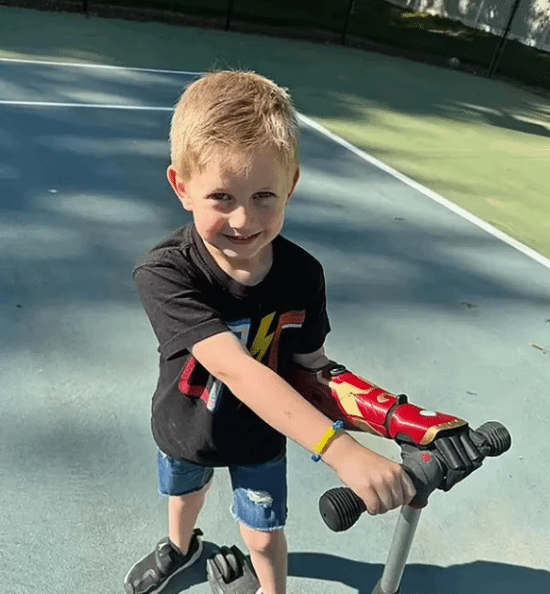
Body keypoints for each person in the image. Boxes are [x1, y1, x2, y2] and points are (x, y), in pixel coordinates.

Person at [124, 70, 416, 594]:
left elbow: (315, 370)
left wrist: (402, 421)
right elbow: (234, 368)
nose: (243, 220)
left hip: (260, 437)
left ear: (291, 186)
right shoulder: (165, 273)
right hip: (185, 425)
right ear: (182, 187)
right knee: (184, 496)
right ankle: (182, 549)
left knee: (262, 536)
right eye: (221, 197)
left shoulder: (303, 274)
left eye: (264, 195)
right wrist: (341, 450)